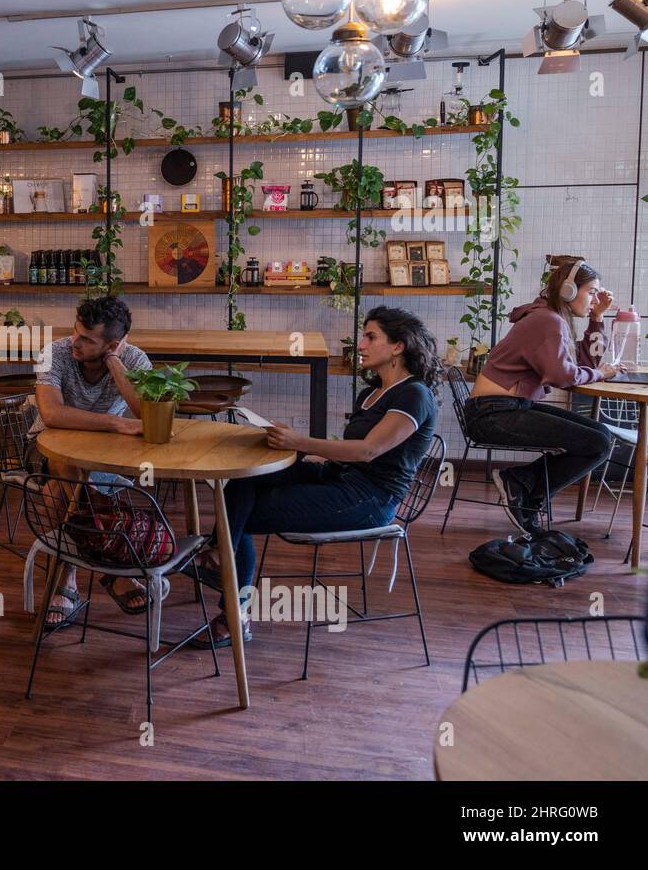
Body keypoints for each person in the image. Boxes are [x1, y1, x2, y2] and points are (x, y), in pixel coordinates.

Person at [196, 307, 440, 645]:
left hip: (370, 499)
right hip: (339, 477)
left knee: (240, 514)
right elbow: (349, 449)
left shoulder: (414, 395)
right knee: (243, 478)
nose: (361, 344)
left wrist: (301, 443)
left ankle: (230, 603)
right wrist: (292, 444)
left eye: (371, 337)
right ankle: (220, 558)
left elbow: (367, 451)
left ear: (398, 346)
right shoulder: (371, 393)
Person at [465, 260, 619, 534]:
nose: (596, 298)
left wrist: (597, 318)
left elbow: (584, 363)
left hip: (505, 408)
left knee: (601, 437)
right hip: (493, 414)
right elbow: (563, 376)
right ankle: (522, 486)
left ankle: (524, 489)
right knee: (597, 442)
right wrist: (599, 375)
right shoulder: (547, 320)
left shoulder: (552, 317)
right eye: (592, 292)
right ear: (569, 290)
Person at [31, 295, 151, 627]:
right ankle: (111, 570)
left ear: (112, 344)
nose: (75, 342)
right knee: (66, 469)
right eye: (75, 331)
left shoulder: (134, 360)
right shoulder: (53, 353)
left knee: (59, 491)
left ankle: (65, 579)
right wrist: (115, 422)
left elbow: (146, 414)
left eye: (86, 339)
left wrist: (114, 362)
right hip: (45, 446)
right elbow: (51, 414)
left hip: (103, 457)